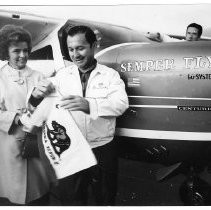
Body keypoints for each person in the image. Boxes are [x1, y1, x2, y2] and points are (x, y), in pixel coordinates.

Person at [26, 25, 129, 206]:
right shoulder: (61, 76)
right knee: (71, 201)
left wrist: (90, 105)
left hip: (102, 149)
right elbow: (36, 100)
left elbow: (121, 104)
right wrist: (35, 94)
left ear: (93, 45)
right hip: (71, 150)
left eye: (80, 48)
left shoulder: (110, 75)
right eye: (71, 49)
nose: (75, 54)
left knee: (105, 200)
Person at [0, 25, 54, 205]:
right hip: (8, 144)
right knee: (10, 194)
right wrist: (15, 118)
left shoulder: (40, 76)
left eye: (25, 50)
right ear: (6, 52)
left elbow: (51, 107)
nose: (22, 55)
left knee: (38, 192)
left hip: (35, 143)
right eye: (16, 51)